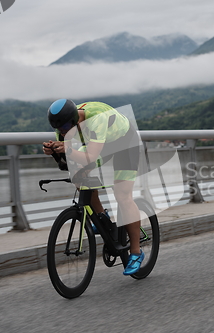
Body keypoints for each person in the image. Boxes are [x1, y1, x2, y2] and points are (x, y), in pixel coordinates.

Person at [42, 99, 143, 275]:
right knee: (78, 175)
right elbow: (67, 164)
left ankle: (136, 252)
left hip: (125, 143)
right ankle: (102, 218)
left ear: (75, 119)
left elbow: (89, 156)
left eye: (66, 126)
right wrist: (55, 153)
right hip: (101, 145)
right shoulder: (63, 130)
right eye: (59, 129)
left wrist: (68, 149)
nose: (63, 131)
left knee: (122, 196)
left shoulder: (96, 118)